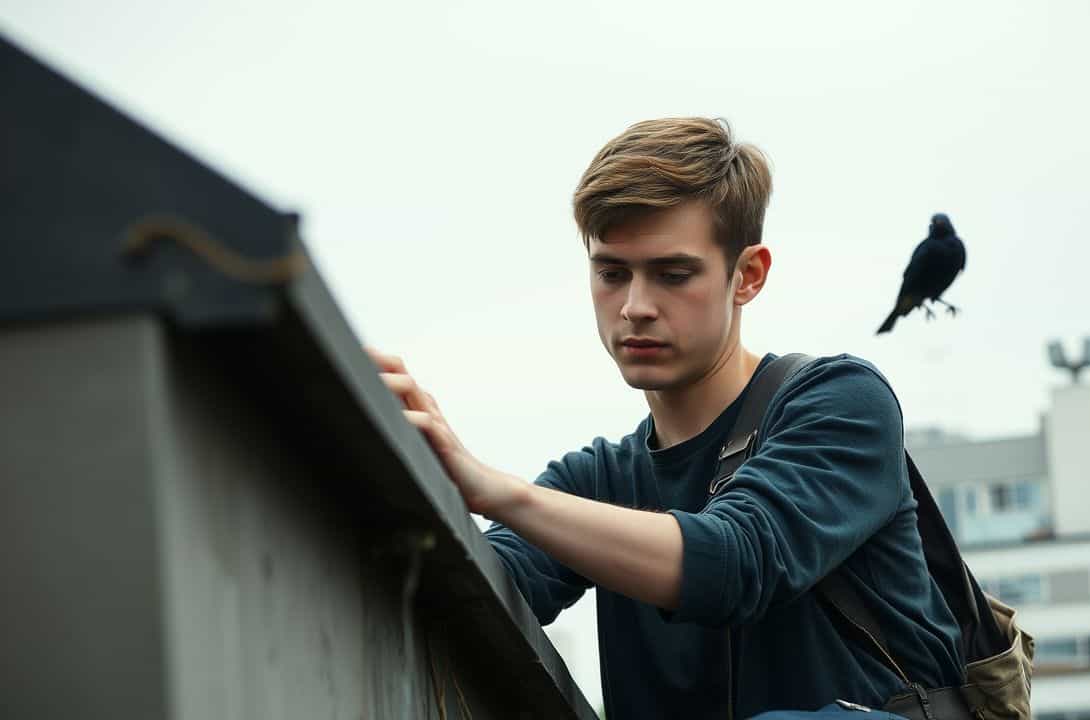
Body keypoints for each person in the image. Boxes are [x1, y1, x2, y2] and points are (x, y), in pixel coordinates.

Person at [368, 117, 963, 719]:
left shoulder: (840, 402)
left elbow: (738, 560)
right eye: (611, 273)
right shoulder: (599, 482)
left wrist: (498, 492)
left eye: (673, 275)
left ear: (748, 276)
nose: (635, 307)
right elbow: (471, 588)